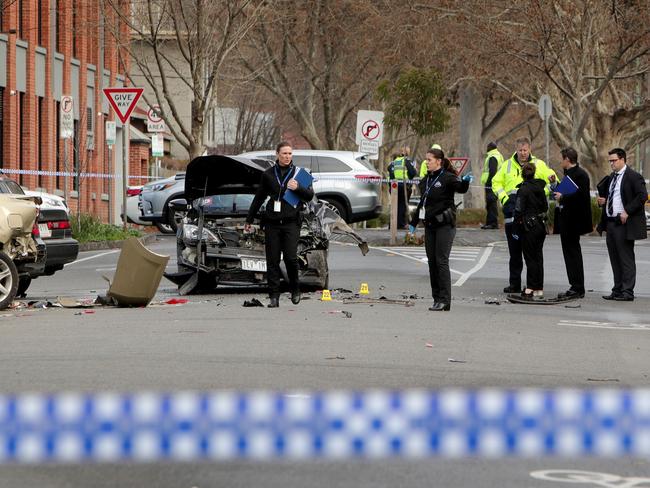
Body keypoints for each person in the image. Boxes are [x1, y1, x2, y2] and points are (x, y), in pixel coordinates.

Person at [245, 142, 314, 308]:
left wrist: (298, 188)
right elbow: (259, 198)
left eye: (290, 153)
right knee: (272, 261)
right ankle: (273, 296)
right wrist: (249, 219)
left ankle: (295, 289)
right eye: (284, 153)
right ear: (277, 154)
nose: (287, 156)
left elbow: (310, 195)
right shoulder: (268, 174)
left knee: (290, 258)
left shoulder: (299, 174)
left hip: (291, 223)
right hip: (272, 223)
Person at [491, 137, 557, 293]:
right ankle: (514, 284)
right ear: (516, 149)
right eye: (520, 150)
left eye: (525, 150)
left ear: (530, 149)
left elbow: (552, 180)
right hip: (511, 213)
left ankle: (532, 285)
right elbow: (496, 182)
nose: (522, 153)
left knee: (530, 254)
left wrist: (541, 193)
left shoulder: (539, 164)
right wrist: (505, 198)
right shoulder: (507, 165)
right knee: (515, 253)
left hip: (530, 216)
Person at [409, 148, 471, 311]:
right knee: (432, 263)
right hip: (430, 226)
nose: (427, 162)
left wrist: (465, 181)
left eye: (429, 159)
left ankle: (445, 300)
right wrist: (413, 224)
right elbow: (422, 203)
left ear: (439, 161)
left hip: (445, 225)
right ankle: (437, 298)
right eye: (426, 159)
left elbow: (461, 188)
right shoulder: (426, 180)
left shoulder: (448, 178)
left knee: (441, 261)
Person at [596, 148, 647, 301]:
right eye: (610, 161)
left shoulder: (633, 176)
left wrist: (627, 211)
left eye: (614, 160)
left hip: (624, 223)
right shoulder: (612, 177)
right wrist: (604, 202)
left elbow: (642, 196)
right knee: (614, 258)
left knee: (626, 258)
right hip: (610, 222)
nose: (611, 163)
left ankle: (627, 292)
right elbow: (614, 197)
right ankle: (617, 289)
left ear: (623, 159)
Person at [553, 147, 592, 299]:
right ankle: (574, 285)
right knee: (569, 254)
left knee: (573, 254)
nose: (560, 161)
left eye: (562, 158)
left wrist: (562, 197)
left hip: (574, 222)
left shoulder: (581, 174)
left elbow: (580, 197)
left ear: (567, 159)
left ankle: (577, 287)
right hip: (566, 220)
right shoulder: (568, 173)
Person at [514, 163, 548, 299]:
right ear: (534, 173)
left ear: (522, 174)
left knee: (530, 258)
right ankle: (539, 288)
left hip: (529, 226)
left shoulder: (523, 190)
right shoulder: (540, 188)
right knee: (538, 257)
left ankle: (530, 288)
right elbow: (545, 207)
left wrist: (516, 227)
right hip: (541, 225)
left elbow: (518, 210)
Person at [388, 146, 417, 229]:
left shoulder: (394, 161)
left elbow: (389, 169)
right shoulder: (406, 161)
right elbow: (412, 173)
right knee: (402, 205)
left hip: (393, 185)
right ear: (406, 153)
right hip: (403, 186)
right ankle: (400, 224)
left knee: (394, 205)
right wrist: (414, 172)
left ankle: (392, 225)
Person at [480, 142, 503, 229]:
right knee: (491, 203)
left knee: (491, 203)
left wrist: (490, 182)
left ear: (489, 148)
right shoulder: (498, 155)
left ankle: (492, 223)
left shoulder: (492, 157)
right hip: (496, 182)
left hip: (492, 184)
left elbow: (492, 171)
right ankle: (491, 222)